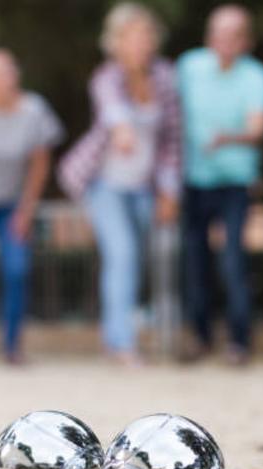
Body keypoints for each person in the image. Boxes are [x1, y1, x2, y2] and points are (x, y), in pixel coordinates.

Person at [59, 3, 180, 367]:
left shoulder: (165, 77)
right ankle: (122, 344)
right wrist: (123, 129)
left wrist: (170, 190)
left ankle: (114, 335)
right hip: (104, 184)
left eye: (146, 35)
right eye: (133, 36)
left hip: (143, 186)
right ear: (118, 42)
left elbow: (172, 139)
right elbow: (113, 111)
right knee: (122, 254)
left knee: (134, 261)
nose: (142, 42)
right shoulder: (107, 77)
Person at [177, 4, 263, 366]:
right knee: (195, 260)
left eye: (234, 34)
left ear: (246, 40)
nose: (225, 41)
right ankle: (201, 337)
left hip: (236, 180)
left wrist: (228, 138)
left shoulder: (258, 77)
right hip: (193, 179)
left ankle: (239, 341)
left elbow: (258, 129)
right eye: (219, 32)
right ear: (209, 35)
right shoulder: (188, 67)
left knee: (233, 259)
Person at [0, 49, 63, 365]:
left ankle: (12, 345)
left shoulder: (34, 110)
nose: (3, 79)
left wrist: (26, 211)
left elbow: (39, 164)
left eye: (7, 72)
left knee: (16, 269)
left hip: (14, 204)